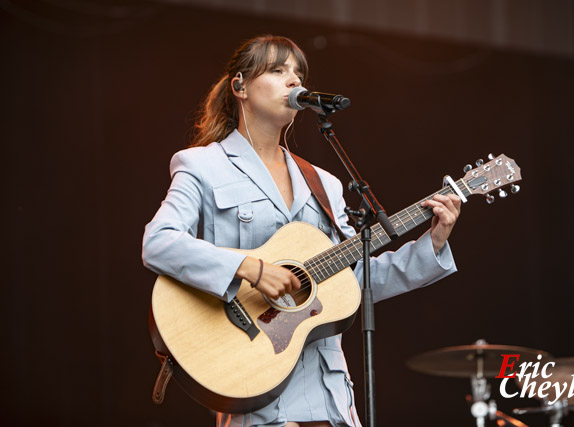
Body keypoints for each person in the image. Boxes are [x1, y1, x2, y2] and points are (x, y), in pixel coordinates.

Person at [142, 35, 461, 427]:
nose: (294, 81)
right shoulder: (201, 166)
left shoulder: (323, 183)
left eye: (298, 73)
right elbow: (159, 242)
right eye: (278, 71)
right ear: (240, 86)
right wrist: (251, 269)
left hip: (329, 394)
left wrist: (432, 242)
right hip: (253, 383)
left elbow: (355, 279)